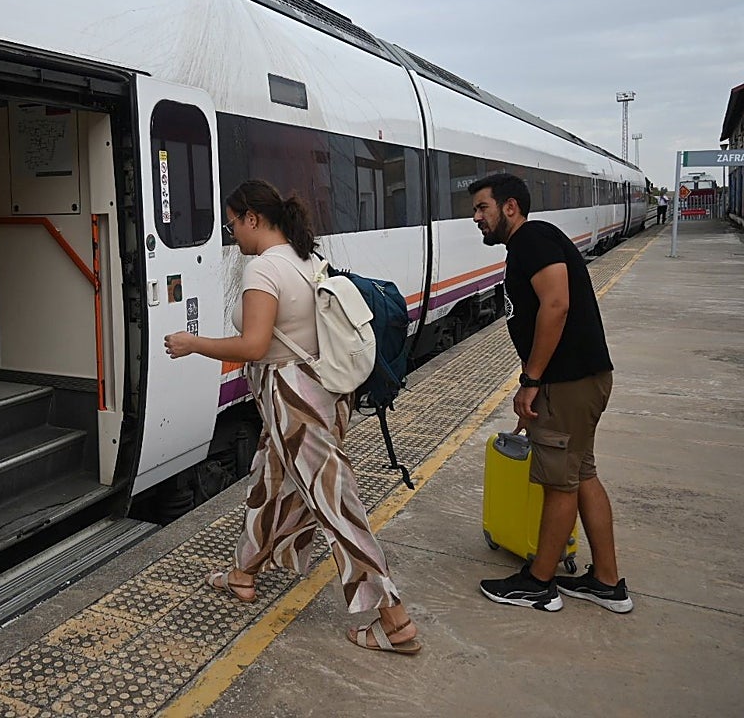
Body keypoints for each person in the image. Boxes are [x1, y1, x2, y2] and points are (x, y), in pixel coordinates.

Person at [164, 179, 421, 654]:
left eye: (232, 223)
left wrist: (192, 344)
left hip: (293, 399)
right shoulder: (307, 257)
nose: (232, 234)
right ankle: (244, 572)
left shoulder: (264, 269)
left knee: (334, 504)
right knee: (269, 484)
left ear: (252, 219)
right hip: (319, 393)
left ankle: (395, 619)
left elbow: (254, 346)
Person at [468, 172, 632, 613]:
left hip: (568, 382)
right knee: (581, 476)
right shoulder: (533, 241)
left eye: (482, 208)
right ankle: (606, 582)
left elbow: (556, 304)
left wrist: (532, 381)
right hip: (579, 380)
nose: (476, 218)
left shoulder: (531, 240)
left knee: (561, 483)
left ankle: (540, 584)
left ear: (509, 207)